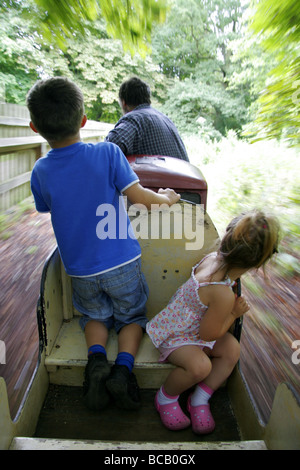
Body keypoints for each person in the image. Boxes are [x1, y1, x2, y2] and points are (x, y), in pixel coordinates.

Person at [27, 77, 180, 412]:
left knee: (94, 316)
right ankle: (122, 372)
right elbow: (140, 199)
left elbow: (48, 206)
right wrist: (167, 199)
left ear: (35, 127)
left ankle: (95, 365)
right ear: (83, 120)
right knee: (131, 318)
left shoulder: (40, 171)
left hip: (79, 270)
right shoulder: (108, 153)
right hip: (121, 262)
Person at [146, 210, 280, 434]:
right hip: (176, 335)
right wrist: (234, 314)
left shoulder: (213, 259)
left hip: (191, 327)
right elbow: (208, 334)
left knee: (232, 349)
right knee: (201, 367)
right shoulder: (223, 294)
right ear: (258, 263)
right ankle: (165, 397)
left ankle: (199, 398)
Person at [105, 76, 189, 161]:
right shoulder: (166, 120)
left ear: (124, 102)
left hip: (158, 174)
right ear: (147, 98)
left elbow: (107, 150)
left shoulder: (134, 119)